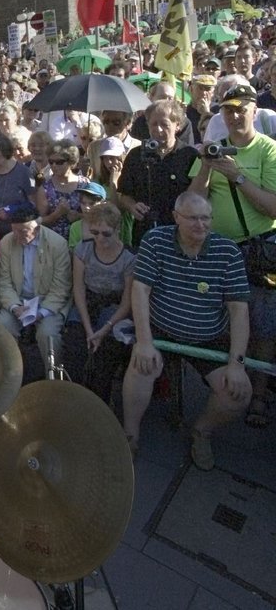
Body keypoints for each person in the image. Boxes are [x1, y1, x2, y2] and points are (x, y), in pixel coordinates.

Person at [122, 193, 251, 469]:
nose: (200, 225)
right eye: (193, 218)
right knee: (139, 368)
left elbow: (239, 310)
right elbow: (141, 290)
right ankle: (130, 435)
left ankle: (201, 431)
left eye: (206, 218)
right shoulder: (156, 241)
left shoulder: (227, 251)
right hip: (161, 329)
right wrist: (144, 342)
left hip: (208, 337)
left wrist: (236, 363)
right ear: (176, 217)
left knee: (238, 394)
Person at [188, 82, 276, 430]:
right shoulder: (215, 148)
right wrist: (208, 168)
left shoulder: (268, 150)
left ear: (255, 111)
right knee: (224, 322)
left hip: (259, 250)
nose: (235, 115)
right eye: (228, 109)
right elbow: (192, 201)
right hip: (220, 251)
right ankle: (229, 385)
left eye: (242, 108)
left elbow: (272, 206)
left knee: (263, 326)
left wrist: (237, 176)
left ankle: (260, 393)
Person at [66, 201, 135, 403]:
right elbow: (78, 290)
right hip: (87, 303)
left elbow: (126, 303)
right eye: (95, 233)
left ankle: (101, 403)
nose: (99, 239)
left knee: (106, 356)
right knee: (75, 350)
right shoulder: (83, 249)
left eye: (106, 234)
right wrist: (89, 330)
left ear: (117, 230)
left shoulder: (129, 258)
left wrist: (103, 330)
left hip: (115, 309)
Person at [0, 202, 73, 377]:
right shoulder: (7, 242)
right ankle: (10, 375)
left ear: (37, 228)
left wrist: (42, 312)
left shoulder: (57, 244)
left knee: (48, 334)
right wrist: (15, 307)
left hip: (48, 301)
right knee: (4, 327)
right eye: (14, 230)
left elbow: (61, 287)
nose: (17, 236)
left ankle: (53, 377)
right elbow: (4, 282)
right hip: (19, 298)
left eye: (22, 231)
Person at [117, 99, 200, 249]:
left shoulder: (190, 155)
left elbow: (199, 195)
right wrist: (133, 207)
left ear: (177, 126)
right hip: (145, 233)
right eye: (154, 124)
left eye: (165, 124)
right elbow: (124, 194)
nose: (159, 129)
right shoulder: (136, 155)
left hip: (179, 233)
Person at [0, 131, 35, 238]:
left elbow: (33, 204)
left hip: (18, 231)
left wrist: (10, 210)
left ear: (4, 152)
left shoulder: (25, 173)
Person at [35, 139, 88, 241]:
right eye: (51, 162)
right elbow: (39, 221)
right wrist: (56, 214)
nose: (54, 165)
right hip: (54, 241)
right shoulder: (45, 188)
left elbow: (95, 214)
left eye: (59, 162)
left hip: (80, 239)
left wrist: (79, 216)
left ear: (71, 161)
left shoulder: (84, 184)